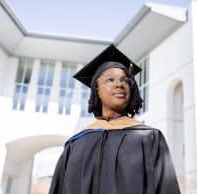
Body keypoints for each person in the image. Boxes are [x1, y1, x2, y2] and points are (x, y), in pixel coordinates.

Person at [49, 44, 181, 194]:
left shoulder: (149, 138)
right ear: (96, 89)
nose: (119, 84)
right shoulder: (75, 144)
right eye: (110, 80)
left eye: (125, 80)